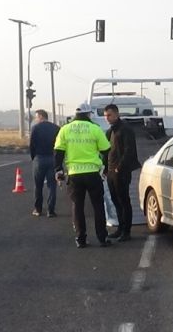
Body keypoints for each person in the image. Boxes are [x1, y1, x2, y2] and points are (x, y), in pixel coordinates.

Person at [54, 103, 112, 248]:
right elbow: (106, 150)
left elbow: (58, 151)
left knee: (77, 206)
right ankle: (102, 238)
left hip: (74, 174)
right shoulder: (95, 128)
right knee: (98, 206)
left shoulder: (65, 129)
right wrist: (104, 167)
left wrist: (58, 170)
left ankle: (81, 239)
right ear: (89, 114)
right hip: (93, 173)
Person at [103, 104, 142, 242]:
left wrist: (120, 167)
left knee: (124, 200)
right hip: (111, 172)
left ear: (117, 114)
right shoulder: (110, 131)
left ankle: (127, 231)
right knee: (116, 201)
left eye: (109, 115)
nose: (107, 118)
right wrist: (106, 168)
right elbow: (106, 150)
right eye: (105, 115)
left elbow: (129, 151)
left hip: (121, 171)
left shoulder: (125, 129)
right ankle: (120, 227)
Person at [29, 109, 60, 217]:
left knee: (38, 185)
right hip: (52, 158)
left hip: (39, 158)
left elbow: (31, 145)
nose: (36, 119)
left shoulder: (35, 128)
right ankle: (51, 211)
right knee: (52, 186)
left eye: (37, 117)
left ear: (41, 116)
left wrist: (34, 158)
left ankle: (38, 209)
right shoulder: (56, 128)